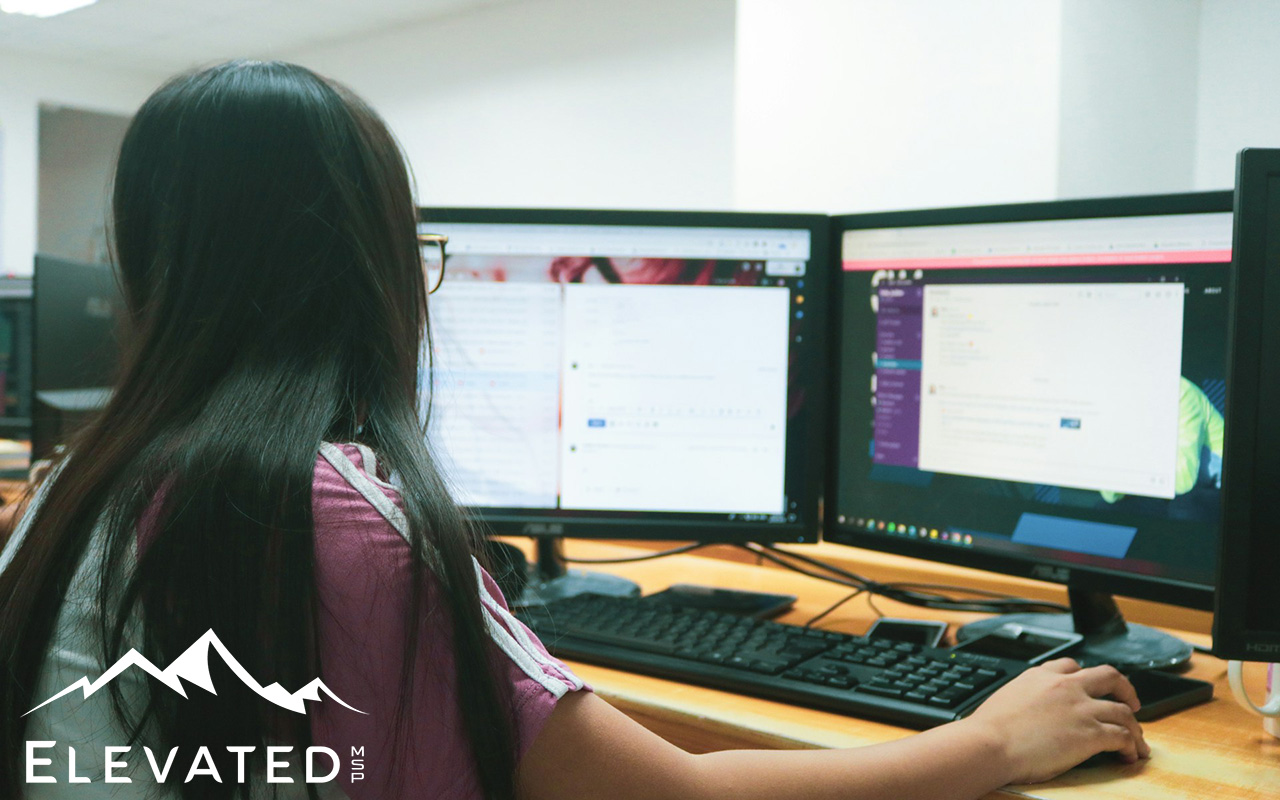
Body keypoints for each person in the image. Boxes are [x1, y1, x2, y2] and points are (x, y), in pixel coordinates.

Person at [0, 61, 1148, 800]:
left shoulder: (66, 495)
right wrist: (996, 740)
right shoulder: (343, 521)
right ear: (374, 269)